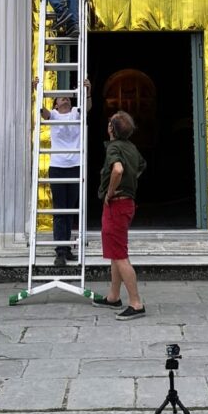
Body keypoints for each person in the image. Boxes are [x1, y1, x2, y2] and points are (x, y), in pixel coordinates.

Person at [93, 110, 147, 321]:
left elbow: (117, 170)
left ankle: (136, 303)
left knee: (121, 257)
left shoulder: (114, 147)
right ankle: (113, 296)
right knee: (116, 253)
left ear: (111, 129)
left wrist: (111, 191)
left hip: (116, 204)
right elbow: (141, 165)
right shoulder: (131, 147)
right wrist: (129, 184)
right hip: (127, 204)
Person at [39, 78, 92, 266]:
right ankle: (60, 251)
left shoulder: (76, 113)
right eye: (61, 98)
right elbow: (42, 112)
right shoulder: (53, 115)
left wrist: (88, 91)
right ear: (55, 103)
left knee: (70, 210)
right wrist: (36, 89)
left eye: (68, 98)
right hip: (58, 167)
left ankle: (67, 248)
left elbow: (87, 107)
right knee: (60, 210)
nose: (65, 100)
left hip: (75, 166)